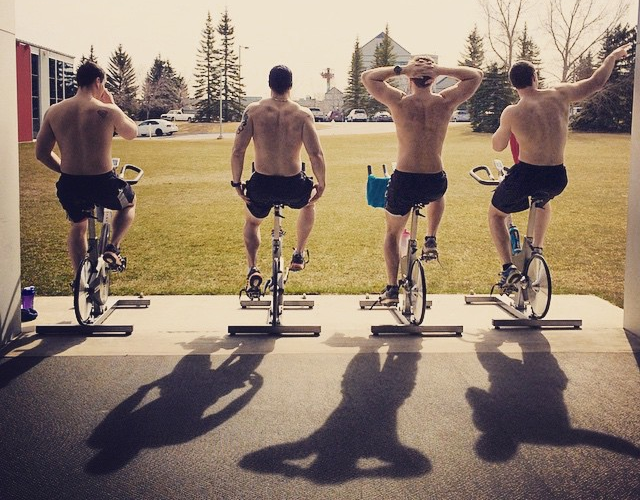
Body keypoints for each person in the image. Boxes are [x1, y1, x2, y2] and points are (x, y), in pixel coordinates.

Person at [490, 43, 631, 288]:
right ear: (535, 78)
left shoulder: (513, 111)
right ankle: (538, 249)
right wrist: (611, 57)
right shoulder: (560, 94)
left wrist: (504, 127)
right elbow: (596, 82)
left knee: (496, 214)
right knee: (543, 200)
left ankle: (507, 268)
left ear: (514, 85)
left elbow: (498, 146)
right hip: (557, 176)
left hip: (526, 174)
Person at [362, 57, 483, 305]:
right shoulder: (446, 101)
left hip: (405, 179)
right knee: (438, 193)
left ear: (410, 79)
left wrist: (403, 69)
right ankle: (430, 238)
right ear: (434, 79)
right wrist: (440, 69)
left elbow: (368, 77)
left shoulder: (399, 101)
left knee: (392, 233)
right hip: (433, 180)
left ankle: (392, 287)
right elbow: (475, 75)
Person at [35, 61, 138, 277]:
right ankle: (112, 247)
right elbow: (131, 133)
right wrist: (113, 104)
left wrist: (64, 168)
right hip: (103, 183)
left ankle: (80, 280)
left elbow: (42, 153)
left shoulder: (54, 111)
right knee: (129, 203)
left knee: (78, 226)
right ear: (98, 81)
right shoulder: (107, 110)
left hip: (70, 184)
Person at [231, 65, 326, 291]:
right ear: (291, 86)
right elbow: (316, 154)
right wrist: (321, 184)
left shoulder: (253, 111)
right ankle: (299, 254)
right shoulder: (303, 114)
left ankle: (253, 268)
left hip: (262, 184)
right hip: (293, 185)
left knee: (253, 221)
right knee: (309, 204)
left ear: (269, 84)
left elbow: (238, 150)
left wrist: (236, 183)